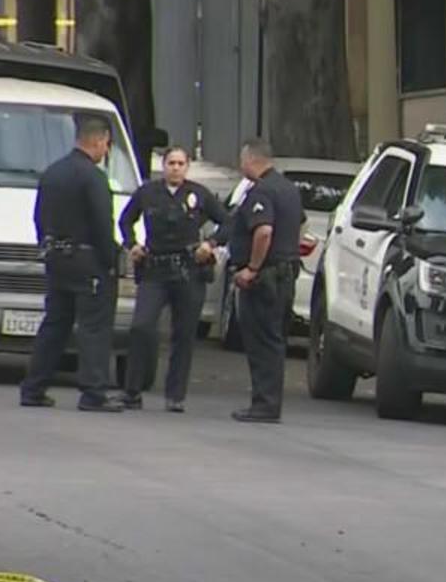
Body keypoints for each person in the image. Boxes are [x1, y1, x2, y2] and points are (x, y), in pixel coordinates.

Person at [20, 113, 123, 412]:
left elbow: (38, 216)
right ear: (100, 140)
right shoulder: (93, 177)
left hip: (57, 258)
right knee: (93, 327)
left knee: (55, 323)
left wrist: (48, 247)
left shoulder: (53, 172)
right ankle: (94, 393)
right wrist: (110, 260)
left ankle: (34, 388)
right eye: (107, 144)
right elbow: (104, 224)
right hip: (88, 259)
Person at [118, 147, 225, 413]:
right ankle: (132, 390)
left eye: (180, 163)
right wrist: (132, 244)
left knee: (184, 334)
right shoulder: (148, 192)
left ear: (187, 166)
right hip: (155, 267)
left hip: (188, 269)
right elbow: (125, 220)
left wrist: (211, 244)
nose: (175, 168)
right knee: (141, 327)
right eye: (171, 163)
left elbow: (229, 222)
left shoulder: (198, 194)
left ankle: (175, 395)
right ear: (163, 166)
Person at [224, 137, 306, 424]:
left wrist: (252, 268)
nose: (241, 165)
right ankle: (268, 402)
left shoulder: (262, 191)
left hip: (266, 276)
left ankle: (265, 404)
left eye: (242, 160)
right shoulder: (289, 190)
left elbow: (263, 231)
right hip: (285, 272)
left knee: (262, 342)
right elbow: (299, 225)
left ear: (250, 159)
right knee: (275, 340)